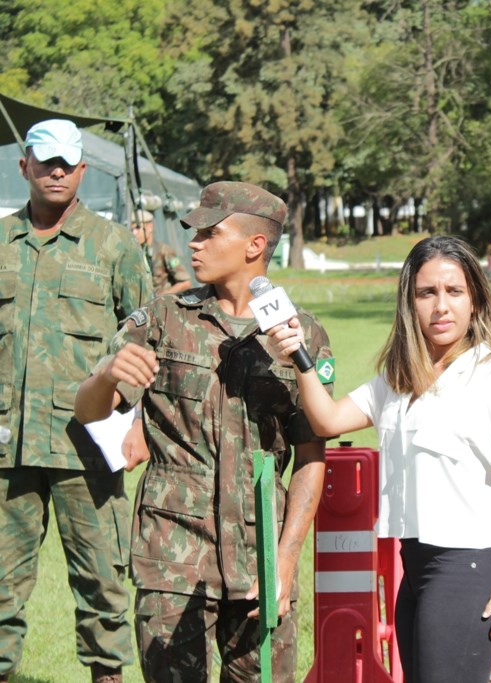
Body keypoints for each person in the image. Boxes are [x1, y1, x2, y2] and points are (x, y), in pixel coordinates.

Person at [74, 181, 333, 681]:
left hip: (262, 552)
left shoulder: (302, 334)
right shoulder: (163, 319)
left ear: (255, 246)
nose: (193, 244)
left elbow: (310, 457)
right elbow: (89, 412)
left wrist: (287, 557)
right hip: (172, 553)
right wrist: (106, 373)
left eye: (210, 234)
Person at [266, 235, 491, 683]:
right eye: (427, 293)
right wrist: (299, 357)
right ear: (409, 301)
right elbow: (329, 419)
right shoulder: (400, 375)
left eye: (454, 292)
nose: (441, 306)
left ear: (475, 300)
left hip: (468, 565)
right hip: (415, 564)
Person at [0, 119, 153, 683]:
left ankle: (107, 676)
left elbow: (143, 334)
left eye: (68, 162)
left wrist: (133, 418)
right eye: (46, 161)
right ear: (25, 166)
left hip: (87, 447)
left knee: (101, 582)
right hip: (8, 448)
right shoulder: (0, 242)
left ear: (83, 169)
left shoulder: (113, 246)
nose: (57, 171)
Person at [131, 209, 192, 295]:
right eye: (132, 229)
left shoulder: (164, 251)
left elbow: (185, 283)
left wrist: (162, 295)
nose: (134, 233)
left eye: (138, 228)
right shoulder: (133, 253)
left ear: (150, 227)